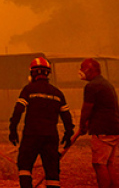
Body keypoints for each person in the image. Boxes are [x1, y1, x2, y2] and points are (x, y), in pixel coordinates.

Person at [8, 57, 74, 188]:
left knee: (25, 166)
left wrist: (13, 129)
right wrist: (68, 133)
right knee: (52, 171)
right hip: (51, 136)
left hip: (31, 135)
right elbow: (66, 116)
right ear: (47, 73)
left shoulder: (28, 90)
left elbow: (18, 110)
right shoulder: (57, 93)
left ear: (32, 73)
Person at [70, 58, 119, 188]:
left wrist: (82, 125)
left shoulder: (92, 86)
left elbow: (86, 109)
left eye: (82, 67)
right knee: (107, 164)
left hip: (104, 131)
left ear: (90, 70)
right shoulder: (105, 83)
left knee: (99, 164)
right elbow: (100, 107)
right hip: (116, 129)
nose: (80, 71)